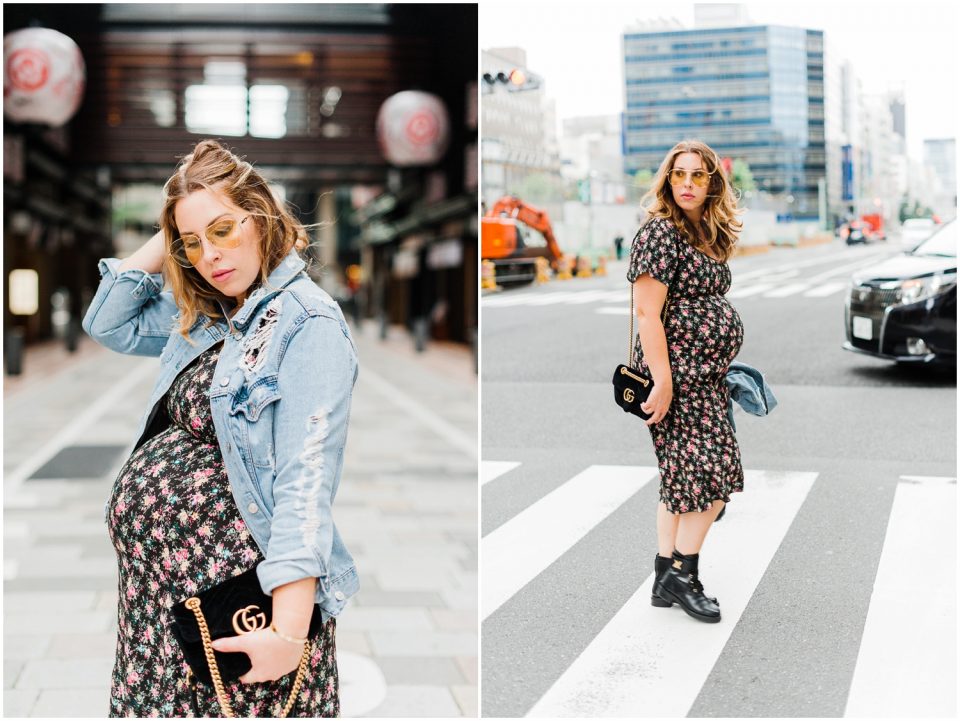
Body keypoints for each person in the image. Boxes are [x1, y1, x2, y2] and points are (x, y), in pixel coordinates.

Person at [82, 139, 358, 716]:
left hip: (233, 613)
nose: (209, 255)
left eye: (224, 230)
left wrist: (288, 635)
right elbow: (107, 322)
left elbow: (306, 483)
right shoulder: (209, 314)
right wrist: (178, 219)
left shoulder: (308, 323)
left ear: (262, 218)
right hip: (156, 611)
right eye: (192, 243)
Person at [626, 139, 745, 624]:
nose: (688, 184)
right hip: (676, 379)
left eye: (698, 175)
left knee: (681, 477)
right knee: (712, 476)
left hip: (705, 377)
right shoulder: (660, 233)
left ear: (712, 182)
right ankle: (682, 573)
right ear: (668, 179)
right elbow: (646, 314)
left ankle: (664, 575)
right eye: (679, 174)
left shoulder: (703, 232)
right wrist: (664, 381)